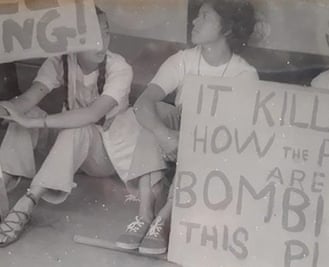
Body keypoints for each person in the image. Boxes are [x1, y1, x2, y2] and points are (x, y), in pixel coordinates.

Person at [0, 7, 167, 247]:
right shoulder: (60, 61)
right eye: (93, 36)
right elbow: (28, 100)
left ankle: (26, 204)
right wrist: (9, 109)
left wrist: (35, 121)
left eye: (106, 33)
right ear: (75, 38)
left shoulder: (119, 67)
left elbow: (92, 114)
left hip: (103, 154)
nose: (102, 42)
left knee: (75, 126)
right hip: (67, 151)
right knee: (28, 114)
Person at [122, 0, 259, 255]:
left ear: (227, 28)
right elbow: (143, 103)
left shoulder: (244, 74)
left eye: (205, 17)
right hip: (172, 145)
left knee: (207, 129)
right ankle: (144, 213)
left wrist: (187, 141)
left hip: (210, 155)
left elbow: (234, 137)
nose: (195, 22)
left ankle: (164, 217)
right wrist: (164, 135)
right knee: (158, 111)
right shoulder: (183, 60)